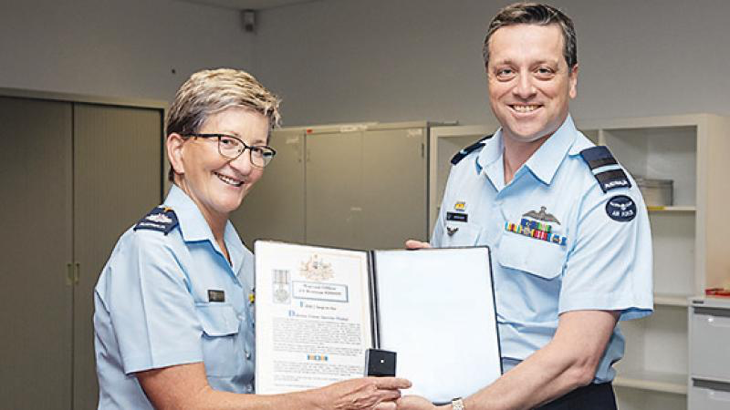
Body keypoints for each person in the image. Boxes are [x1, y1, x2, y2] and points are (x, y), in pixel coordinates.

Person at [93, 68, 410, 410]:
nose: (244, 165)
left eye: (258, 149)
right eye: (227, 142)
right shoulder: (152, 253)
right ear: (178, 150)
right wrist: (327, 402)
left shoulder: (245, 260)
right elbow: (188, 404)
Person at [401, 3, 652, 410]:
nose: (523, 88)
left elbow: (577, 359)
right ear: (488, 79)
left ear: (571, 79)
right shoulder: (467, 169)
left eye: (543, 70)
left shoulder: (602, 194)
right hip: (463, 390)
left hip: (557, 400)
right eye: (506, 71)